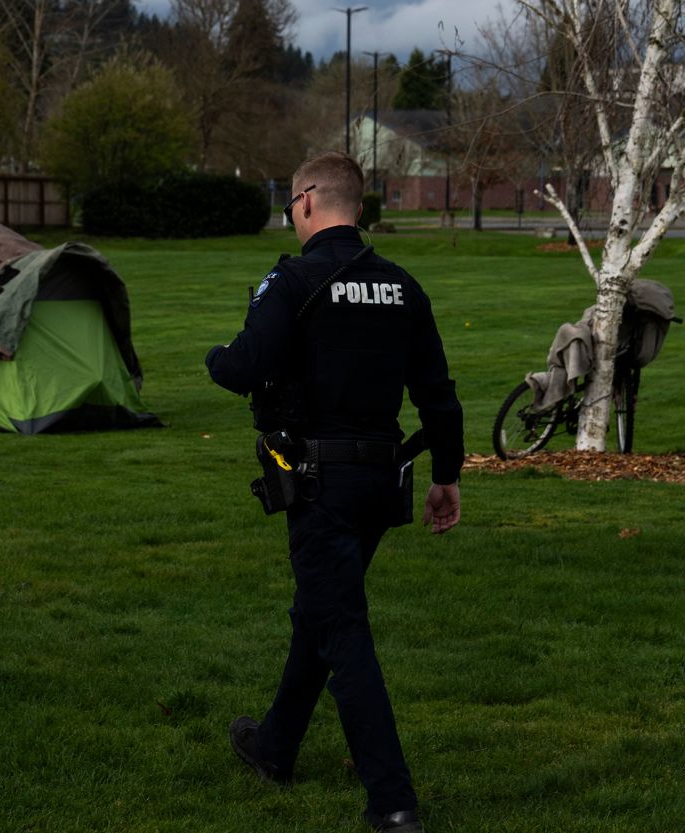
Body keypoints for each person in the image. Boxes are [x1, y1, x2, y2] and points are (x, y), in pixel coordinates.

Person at [205, 152, 464, 833]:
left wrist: (215, 361)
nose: (290, 217)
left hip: (319, 484)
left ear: (310, 202)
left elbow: (246, 365)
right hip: (382, 482)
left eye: (290, 206)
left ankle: (393, 800)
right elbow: (438, 395)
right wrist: (447, 475)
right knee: (318, 613)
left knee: (342, 629)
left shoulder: (292, 280)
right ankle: (274, 748)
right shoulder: (404, 288)